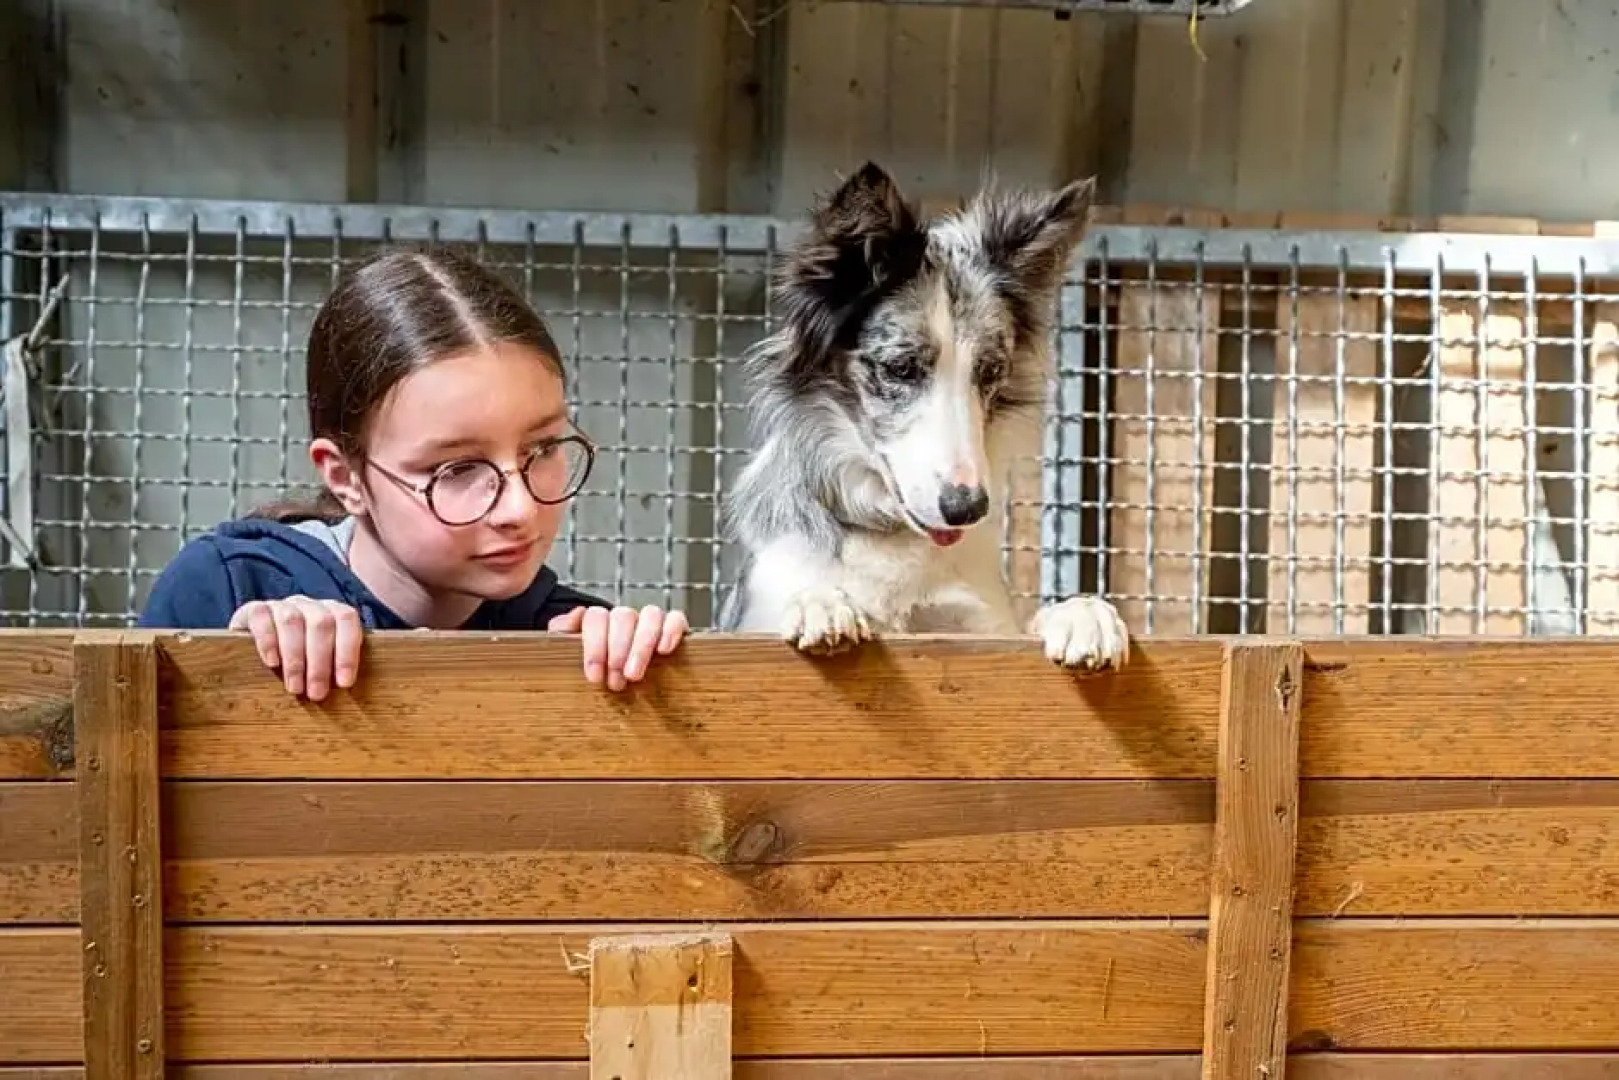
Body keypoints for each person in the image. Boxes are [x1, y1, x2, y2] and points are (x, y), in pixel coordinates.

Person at [139, 247, 689, 699]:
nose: (519, 510)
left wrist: (648, 676)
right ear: (345, 476)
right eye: (457, 468)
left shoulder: (572, 636)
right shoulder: (229, 591)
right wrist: (235, 666)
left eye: (542, 448)